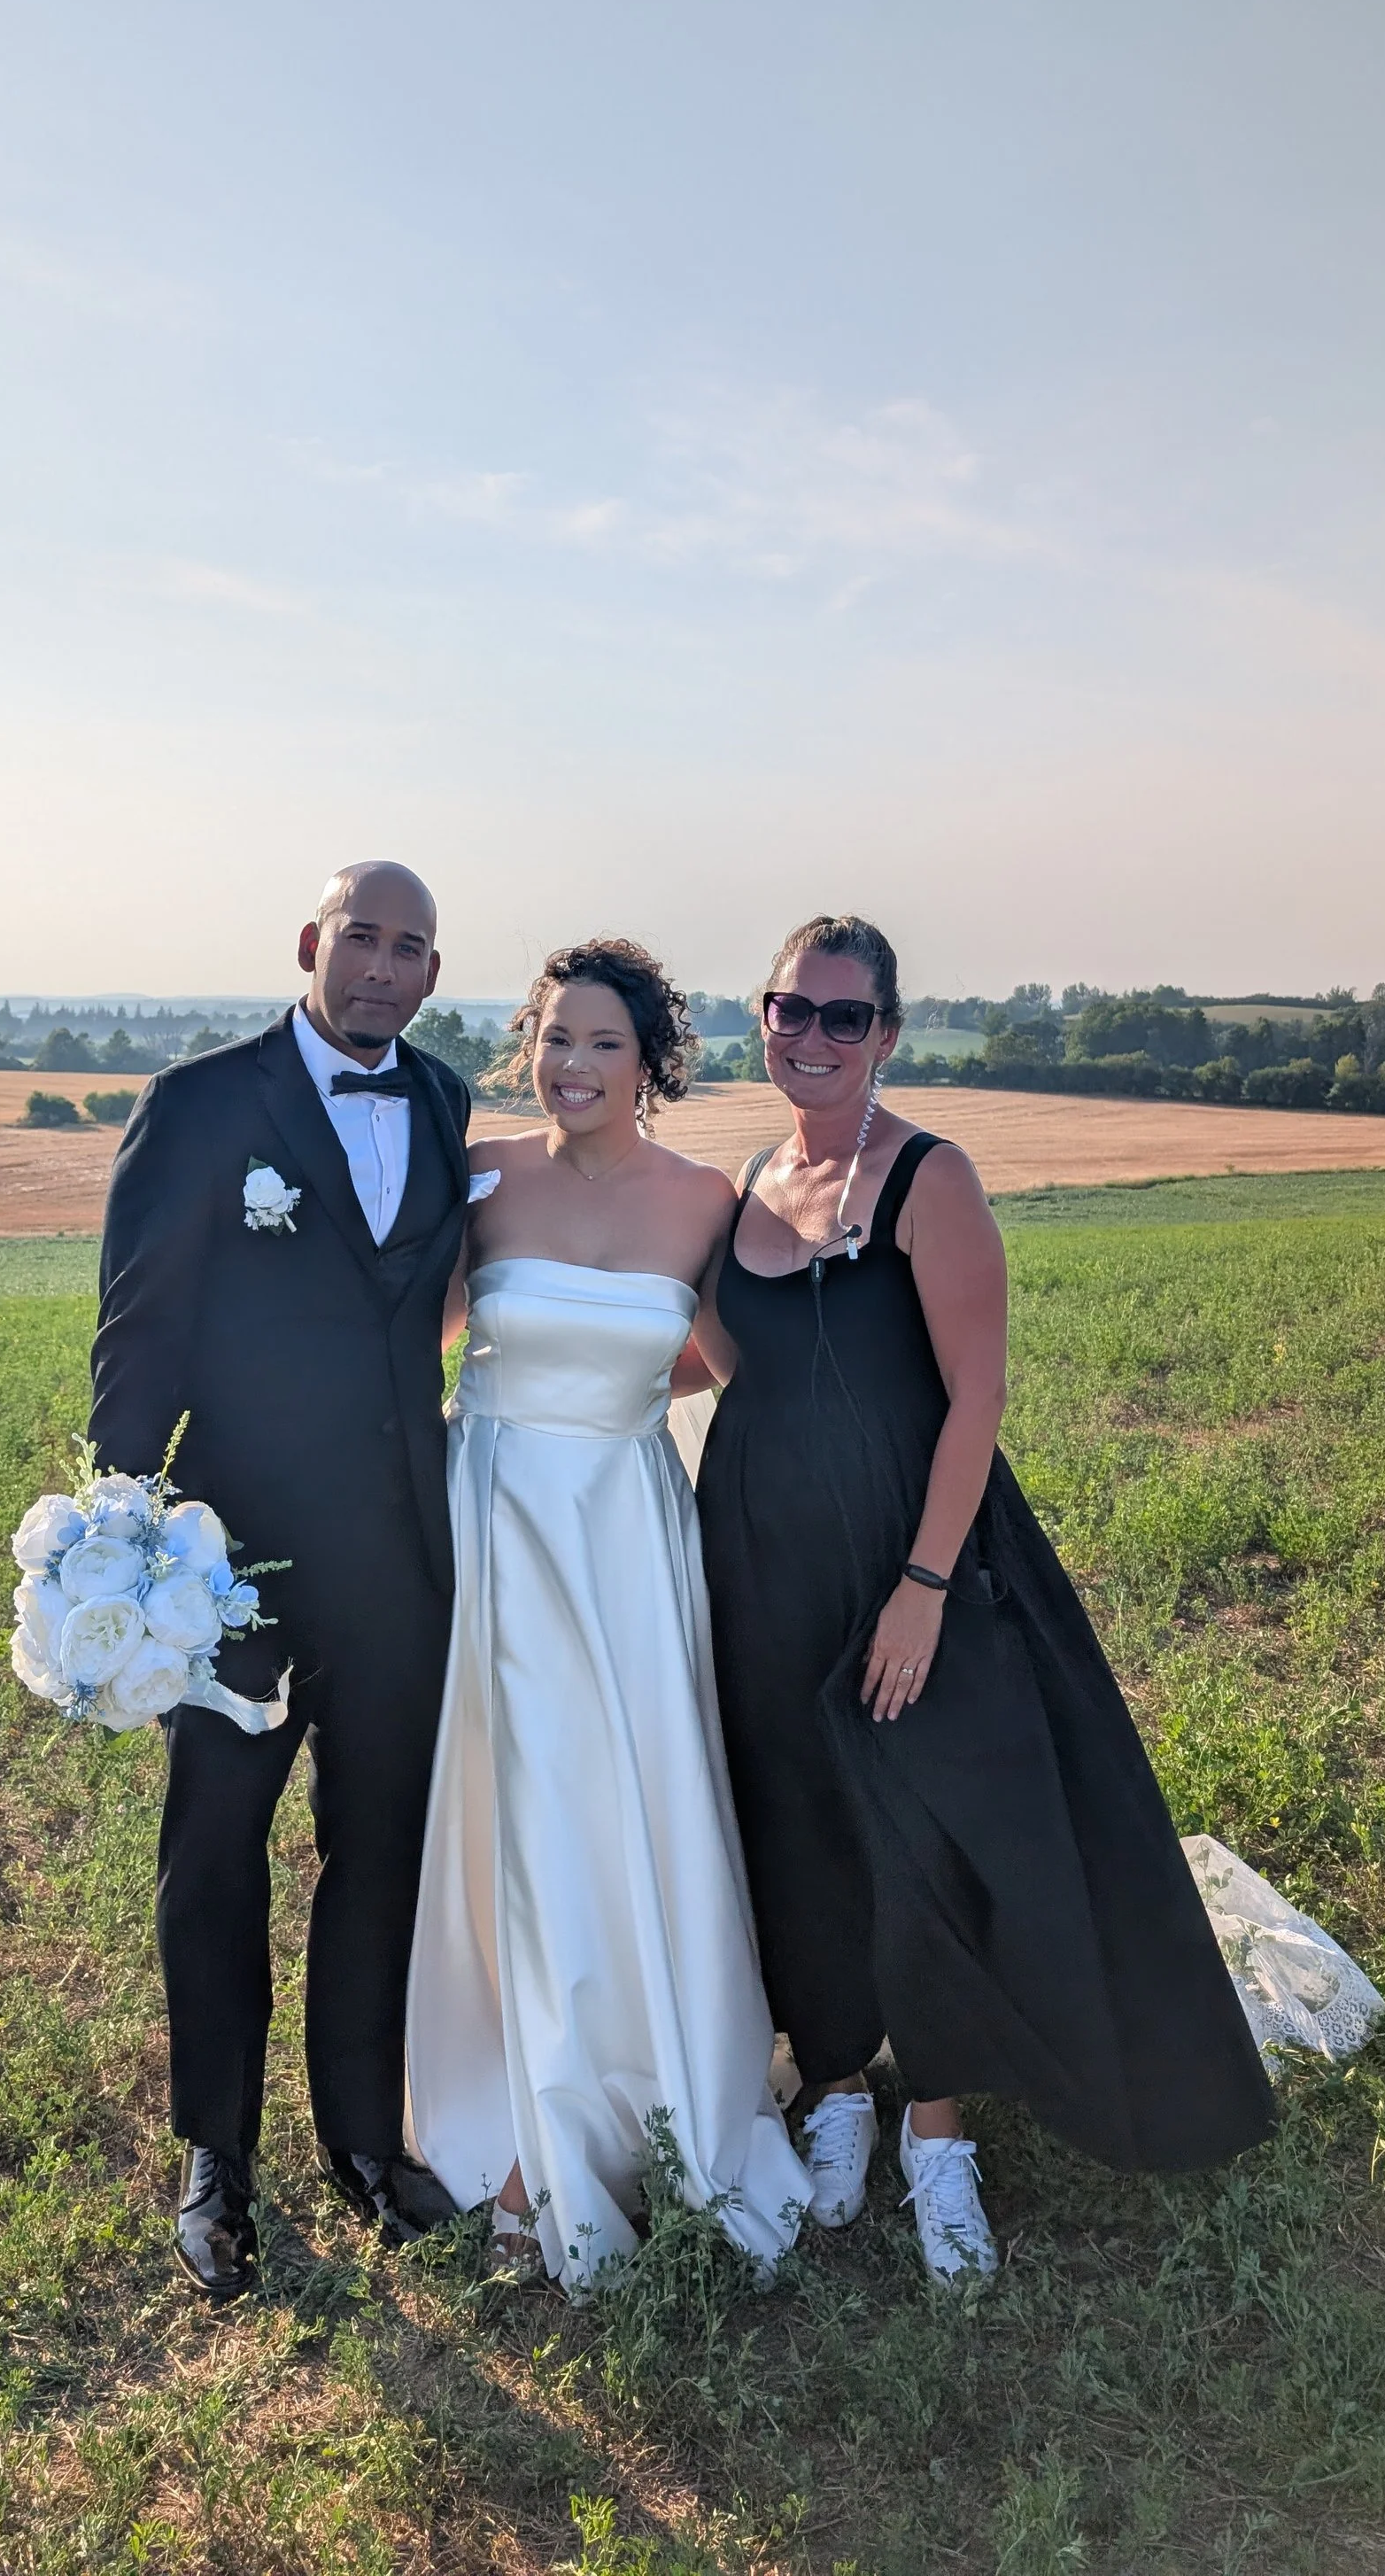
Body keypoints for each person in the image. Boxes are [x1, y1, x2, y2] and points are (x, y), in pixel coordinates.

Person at [693, 913, 1276, 2282]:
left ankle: (936, 2133)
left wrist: (922, 1587)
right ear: (760, 1019)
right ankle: (836, 2083)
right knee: (797, 1818)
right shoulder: (748, 1184)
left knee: (928, 1835)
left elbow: (977, 1399)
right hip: (762, 1559)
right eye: (793, 1010)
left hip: (915, 1557)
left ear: (888, 1034)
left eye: (847, 1017)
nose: (814, 1038)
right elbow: (724, 1363)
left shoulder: (928, 1179)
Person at [89, 861, 475, 2301]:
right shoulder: (199, 1104)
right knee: (216, 1854)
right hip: (235, 1560)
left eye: (411, 948)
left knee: (379, 1851)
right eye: (360, 938)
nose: (381, 966)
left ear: (434, 975)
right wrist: (119, 1541)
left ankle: (365, 2146)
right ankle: (216, 2161)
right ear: (311, 944)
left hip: (401, 1561)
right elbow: (138, 1339)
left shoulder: (440, 1106)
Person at [406, 940, 812, 2290]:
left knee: (634, 1804)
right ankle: (526, 2136)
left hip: (630, 1540)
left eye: (603, 1045)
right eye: (554, 1040)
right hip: (498, 1524)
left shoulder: (704, 1202)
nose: (572, 1067)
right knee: (522, 1825)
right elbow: (410, 1337)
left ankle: (653, 2087)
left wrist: (628, 1408)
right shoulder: (481, 1180)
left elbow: (744, 1365)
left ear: (651, 1066)